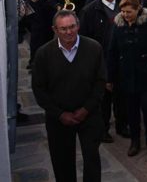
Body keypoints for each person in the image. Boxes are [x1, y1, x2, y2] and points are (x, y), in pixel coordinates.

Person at [31, 10, 105, 182]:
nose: (68, 32)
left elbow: (100, 82)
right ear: (55, 30)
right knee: (62, 163)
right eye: (63, 29)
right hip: (58, 119)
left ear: (78, 26)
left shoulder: (94, 48)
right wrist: (60, 114)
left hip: (90, 115)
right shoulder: (43, 54)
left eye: (72, 27)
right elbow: (39, 89)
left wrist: (86, 109)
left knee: (92, 160)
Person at [108, 0, 147, 160]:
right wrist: (110, 77)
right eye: (123, 11)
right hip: (127, 76)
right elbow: (112, 52)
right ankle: (135, 141)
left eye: (129, 12)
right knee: (131, 111)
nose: (125, 15)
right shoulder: (118, 26)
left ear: (138, 9)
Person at [80, 0, 127, 143]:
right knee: (103, 99)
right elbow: (84, 38)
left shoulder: (124, 4)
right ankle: (103, 129)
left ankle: (122, 125)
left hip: (122, 59)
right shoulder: (90, 10)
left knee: (122, 97)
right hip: (101, 61)